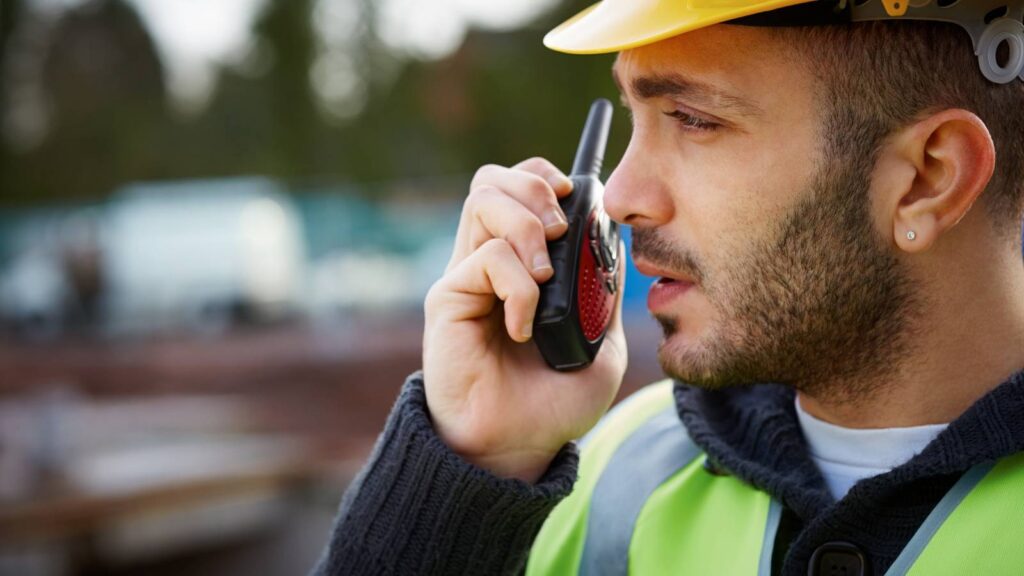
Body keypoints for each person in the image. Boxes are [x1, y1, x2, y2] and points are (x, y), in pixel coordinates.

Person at [313, 1, 1024, 574]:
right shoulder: (615, 470)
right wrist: (475, 470)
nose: (619, 197)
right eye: (632, 116)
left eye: (694, 120)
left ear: (929, 178)